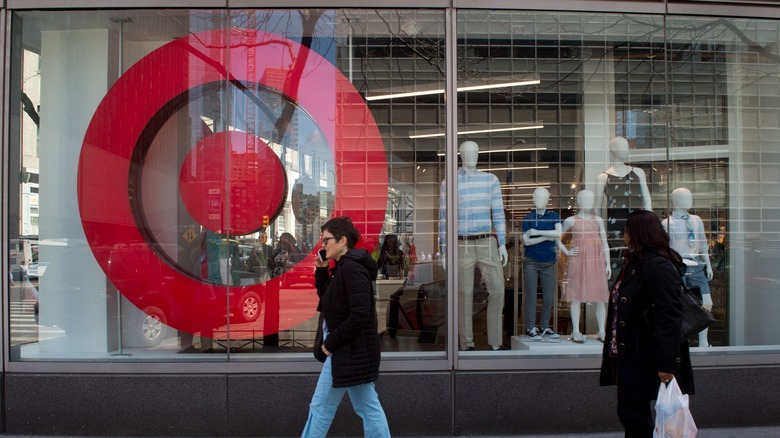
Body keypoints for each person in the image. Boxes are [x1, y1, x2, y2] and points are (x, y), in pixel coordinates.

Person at [600, 209, 694, 438]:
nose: (624, 236)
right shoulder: (636, 262)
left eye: (626, 231)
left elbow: (670, 315)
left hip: (648, 353)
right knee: (631, 413)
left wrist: (667, 363)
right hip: (633, 351)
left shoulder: (657, 266)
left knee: (637, 417)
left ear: (636, 233)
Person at [302, 216, 390, 438]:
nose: (322, 246)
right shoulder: (342, 268)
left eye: (326, 240)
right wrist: (322, 269)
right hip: (349, 351)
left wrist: (330, 343)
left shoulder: (351, 269)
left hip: (346, 351)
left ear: (342, 241)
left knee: (321, 407)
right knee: (367, 407)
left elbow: (360, 315)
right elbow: (328, 300)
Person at [438, 140, 509, 351]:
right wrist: (443, 249)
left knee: (497, 290)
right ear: (459, 155)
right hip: (461, 243)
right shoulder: (448, 183)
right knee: (464, 294)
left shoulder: (490, 180)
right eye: (467, 152)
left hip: (487, 240)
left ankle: (495, 341)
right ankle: (466, 344)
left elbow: (498, 212)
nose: (472, 156)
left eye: (475, 152)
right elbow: (444, 218)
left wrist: (502, 243)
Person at [594, 136, 651, 284]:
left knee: (641, 264)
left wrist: (649, 224)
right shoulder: (603, 177)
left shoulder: (638, 172)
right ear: (612, 150)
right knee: (618, 268)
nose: (627, 150)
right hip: (616, 229)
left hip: (639, 227)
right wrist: (599, 233)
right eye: (623, 146)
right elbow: (597, 208)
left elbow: (647, 200)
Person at [662, 187, 714, 348]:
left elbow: (702, 244)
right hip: (679, 265)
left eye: (690, 196)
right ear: (675, 200)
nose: (689, 200)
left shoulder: (696, 220)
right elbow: (667, 247)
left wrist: (708, 264)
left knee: (707, 302)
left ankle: (703, 342)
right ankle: (680, 340)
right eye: (685, 197)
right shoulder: (667, 223)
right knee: (680, 303)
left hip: (697, 264)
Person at [557, 190, 611, 343]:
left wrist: (607, 263)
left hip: (596, 261)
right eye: (586, 200)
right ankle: (575, 331)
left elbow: (605, 242)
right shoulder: (571, 220)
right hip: (578, 261)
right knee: (576, 297)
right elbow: (556, 238)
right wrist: (567, 251)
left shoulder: (598, 220)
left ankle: (601, 331)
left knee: (600, 297)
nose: (589, 203)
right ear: (579, 202)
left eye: (591, 199)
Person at [522, 187, 562, 341]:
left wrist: (537, 233)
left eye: (543, 197)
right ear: (533, 199)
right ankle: (530, 327)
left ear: (548, 199)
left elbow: (558, 234)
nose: (540, 200)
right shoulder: (528, 218)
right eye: (537, 197)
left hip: (548, 262)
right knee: (531, 296)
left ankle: (545, 326)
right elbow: (526, 241)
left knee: (549, 298)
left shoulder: (554, 216)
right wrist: (548, 236)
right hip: (531, 261)